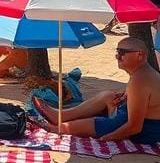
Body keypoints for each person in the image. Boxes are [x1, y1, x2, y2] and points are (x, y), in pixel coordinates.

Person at [32, 37, 160, 144]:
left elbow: (134, 127)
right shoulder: (142, 74)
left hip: (146, 130)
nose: (117, 56)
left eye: (122, 52)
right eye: (117, 51)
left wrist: (109, 137)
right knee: (108, 96)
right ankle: (62, 116)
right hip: (141, 122)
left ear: (140, 55)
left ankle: (57, 128)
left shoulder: (140, 79)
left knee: (102, 123)